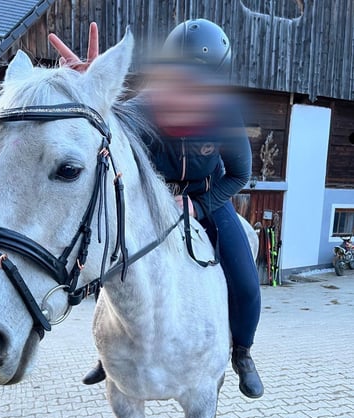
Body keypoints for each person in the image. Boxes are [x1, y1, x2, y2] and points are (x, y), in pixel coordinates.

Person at [49, 19, 264, 398]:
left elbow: (239, 175)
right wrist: (88, 91)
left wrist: (198, 206)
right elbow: (106, 127)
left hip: (207, 199)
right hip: (152, 201)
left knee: (246, 284)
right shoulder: (144, 107)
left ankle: (242, 352)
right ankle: (108, 352)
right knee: (110, 263)